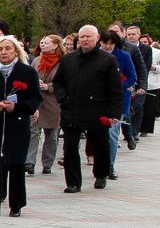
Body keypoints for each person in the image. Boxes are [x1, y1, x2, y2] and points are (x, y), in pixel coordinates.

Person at [54, 25, 123, 192]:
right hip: (72, 109)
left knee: (100, 145)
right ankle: (73, 182)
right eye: (82, 36)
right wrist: (63, 98)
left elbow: (114, 89)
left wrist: (114, 113)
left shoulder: (108, 60)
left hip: (97, 109)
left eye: (88, 37)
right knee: (69, 146)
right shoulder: (68, 59)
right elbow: (58, 82)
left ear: (97, 38)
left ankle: (101, 174)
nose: (84, 39)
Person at [0, 37, 41, 217]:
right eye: (0, 49)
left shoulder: (27, 72)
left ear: (16, 51)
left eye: (8, 49)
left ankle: (16, 204)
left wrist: (17, 107)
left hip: (17, 126)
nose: (4, 52)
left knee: (16, 165)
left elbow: (35, 98)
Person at [100, 31, 136, 177]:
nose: (108, 46)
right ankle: (100, 162)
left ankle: (109, 165)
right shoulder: (95, 55)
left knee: (112, 134)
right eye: (105, 43)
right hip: (97, 100)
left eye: (111, 43)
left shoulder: (124, 56)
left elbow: (132, 77)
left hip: (117, 101)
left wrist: (117, 86)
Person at [27, 34, 64, 175]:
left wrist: (48, 86)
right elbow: (29, 76)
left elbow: (64, 82)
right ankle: (29, 162)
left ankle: (47, 164)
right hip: (36, 101)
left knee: (51, 135)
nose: (42, 44)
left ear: (55, 45)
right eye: (41, 42)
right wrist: (35, 84)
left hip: (53, 102)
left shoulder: (62, 62)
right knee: (33, 132)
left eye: (46, 42)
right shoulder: (36, 60)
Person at [123, 24, 148, 146]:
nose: (131, 36)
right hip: (125, 84)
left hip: (137, 82)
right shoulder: (122, 47)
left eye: (133, 34)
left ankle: (133, 132)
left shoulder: (145, 49)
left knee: (137, 107)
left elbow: (144, 68)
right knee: (126, 110)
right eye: (129, 34)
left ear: (139, 35)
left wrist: (142, 85)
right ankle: (128, 132)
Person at [141, 34, 159, 136]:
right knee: (139, 107)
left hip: (153, 83)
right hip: (141, 82)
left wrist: (154, 68)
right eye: (142, 42)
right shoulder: (137, 50)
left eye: (145, 42)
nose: (144, 44)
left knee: (149, 107)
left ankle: (145, 129)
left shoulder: (157, 52)